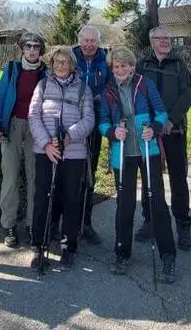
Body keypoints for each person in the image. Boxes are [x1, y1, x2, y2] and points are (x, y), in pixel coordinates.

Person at [99, 46, 177, 282]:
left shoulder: (144, 83)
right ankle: (122, 253)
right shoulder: (108, 91)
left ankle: (168, 255)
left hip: (147, 149)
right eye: (116, 66)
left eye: (124, 65)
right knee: (124, 205)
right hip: (122, 153)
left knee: (157, 202)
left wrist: (153, 128)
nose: (120, 69)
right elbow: (102, 121)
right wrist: (112, 131)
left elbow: (161, 112)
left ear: (132, 66)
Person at [28, 45, 95, 271]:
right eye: (56, 62)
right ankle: (39, 245)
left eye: (65, 62)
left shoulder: (83, 89)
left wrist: (69, 136)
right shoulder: (43, 85)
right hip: (45, 151)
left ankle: (68, 246)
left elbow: (89, 120)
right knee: (43, 198)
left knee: (71, 199)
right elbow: (33, 115)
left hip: (74, 153)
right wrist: (47, 143)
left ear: (72, 65)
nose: (60, 66)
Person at [133, 26, 191, 250]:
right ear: (152, 42)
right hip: (149, 131)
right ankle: (150, 221)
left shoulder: (179, 64)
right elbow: (137, 94)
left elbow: (187, 95)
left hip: (174, 130)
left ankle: (183, 225)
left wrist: (171, 120)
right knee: (150, 178)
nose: (165, 41)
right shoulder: (142, 65)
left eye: (168, 38)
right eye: (160, 38)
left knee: (178, 179)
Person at [0, 32, 47, 248]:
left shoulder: (46, 73)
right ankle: (9, 224)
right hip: (12, 125)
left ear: (40, 50)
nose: (32, 50)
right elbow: (1, 97)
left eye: (36, 46)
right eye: (28, 46)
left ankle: (33, 223)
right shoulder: (12, 69)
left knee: (35, 176)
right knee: (10, 176)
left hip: (37, 128)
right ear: (22, 49)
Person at [69, 25, 109, 245]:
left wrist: (97, 96)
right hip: (69, 123)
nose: (89, 44)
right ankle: (61, 223)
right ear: (79, 40)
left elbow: (111, 86)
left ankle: (86, 222)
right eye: (85, 40)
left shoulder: (106, 60)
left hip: (94, 123)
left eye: (93, 40)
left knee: (88, 173)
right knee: (67, 172)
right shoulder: (69, 57)